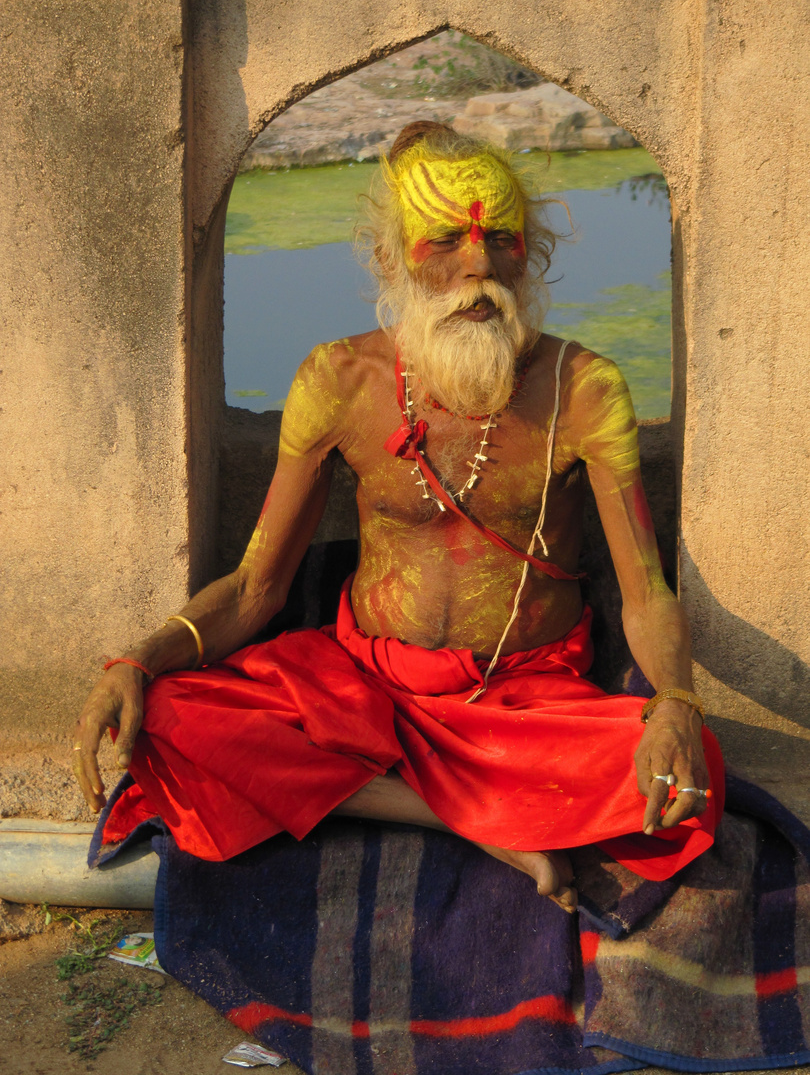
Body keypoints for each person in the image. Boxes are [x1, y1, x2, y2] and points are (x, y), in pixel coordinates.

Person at [73, 121, 723, 913]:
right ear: (390, 258)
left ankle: (422, 801)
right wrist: (139, 659)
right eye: (444, 239)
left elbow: (648, 593)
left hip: (522, 703)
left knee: (690, 771)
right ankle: (471, 824)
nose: (478, 265)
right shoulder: (337, 381)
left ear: (531, 256)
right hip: (360, 688)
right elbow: (253, 589)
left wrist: (678, 706)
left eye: (503, 240)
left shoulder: (584, 388)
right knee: (169, 712)